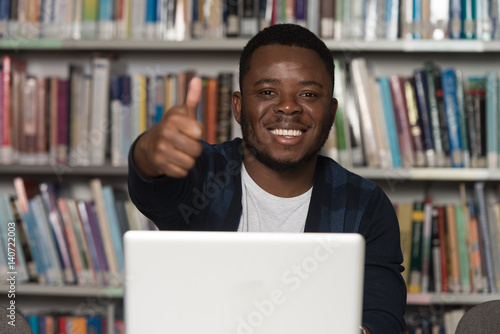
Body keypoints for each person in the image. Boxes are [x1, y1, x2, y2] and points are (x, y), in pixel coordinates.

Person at [128, 23, 406, 333]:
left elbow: (383, 316)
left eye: (309, 94)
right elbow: (151, 185)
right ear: (238, 106)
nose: (288, 106)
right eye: (267, 92)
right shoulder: (203, 174)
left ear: (331, 111)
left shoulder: (365, 203)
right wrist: (148, 149)